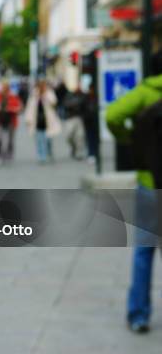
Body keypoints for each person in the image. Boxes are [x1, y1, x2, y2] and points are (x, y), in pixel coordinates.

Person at [106, 63, 162, 334]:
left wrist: (130, 140)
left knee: (144, 250)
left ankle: (139, 314)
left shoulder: (144, 93)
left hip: (150, 182)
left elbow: (113, 115)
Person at [24, 80, 61, 163]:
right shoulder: (34, 94)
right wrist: (28, 119)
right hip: (36, 120)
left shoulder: (49, 93)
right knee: (39, 139)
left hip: (48, 120)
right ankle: (41, 156)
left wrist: (45, 97)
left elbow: (54, 103)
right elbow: (29, 107)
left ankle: (49, 153)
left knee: (48, 139)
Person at [0, 81, 22, 163]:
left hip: (11, 121)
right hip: (0, 121)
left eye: (6, 88)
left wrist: (10, 108)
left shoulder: (13, 96)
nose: (4, 89)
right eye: (3, 88)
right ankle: (0, 154)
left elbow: (18, 108)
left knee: (10, 139)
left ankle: (9, 154)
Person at [62, 86, 86, 160]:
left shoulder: (83, 96)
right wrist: (75, 104)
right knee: (68, 136)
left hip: (79, 118)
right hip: (70, 118)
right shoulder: (69, 95)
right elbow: (66, 104)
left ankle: (79, 153)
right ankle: (73, 148)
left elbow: (85, 105)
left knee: (79, 136)